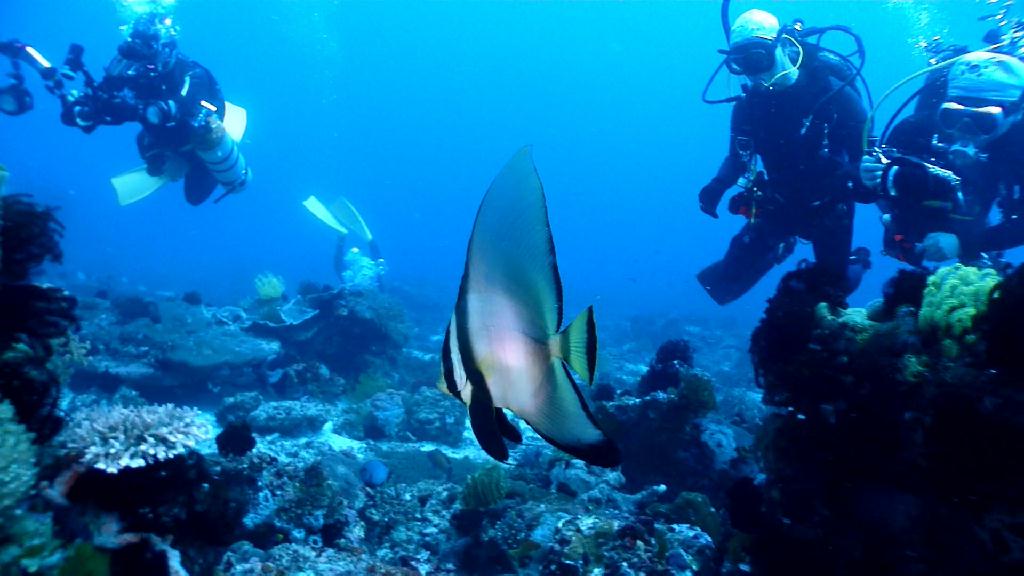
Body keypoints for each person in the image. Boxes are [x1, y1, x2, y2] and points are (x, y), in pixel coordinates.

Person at [695, 9, 872, 305]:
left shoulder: (833, 93)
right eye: (740, 64)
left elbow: (863, 161)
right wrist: (718, 185)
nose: (753, 72)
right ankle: (781, 244)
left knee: (831, 293)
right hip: (779, 201)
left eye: (758, 57)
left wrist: (863, 181)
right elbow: (739, 157)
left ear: (782, 45)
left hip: (830, 205)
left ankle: (860, 261)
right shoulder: (748, 107)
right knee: (723, 283)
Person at [59, 13, 250, 205]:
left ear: (166, 49)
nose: (141, 65)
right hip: (160, 135)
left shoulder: (192, 74)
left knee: (194, 197)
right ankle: (164, 158)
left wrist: (129, 110)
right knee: (144, 143)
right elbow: (104, 93)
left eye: (147, 52)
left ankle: (196, 162)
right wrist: (84, 109)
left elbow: (173, 107)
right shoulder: (130, 66)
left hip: (194, 139)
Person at [861, 51, 1024, 267]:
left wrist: (965, 244)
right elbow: (860, 192)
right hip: (921, 215)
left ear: (1015, 114)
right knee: (903, 247)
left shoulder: (1018, 149)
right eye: (952, 116)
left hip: (973, 216)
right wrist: (865, 177)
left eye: (983, 121)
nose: (965, 130)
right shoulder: (916, 130)